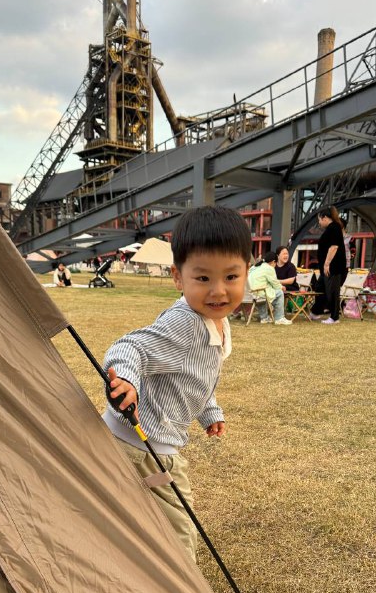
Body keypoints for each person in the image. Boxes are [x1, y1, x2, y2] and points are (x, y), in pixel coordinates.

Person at [103, 205, 252, 561]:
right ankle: (182, 590)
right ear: (178, 277)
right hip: (143, 450)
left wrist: (209, 411)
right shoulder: (186, 324)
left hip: (144, 445)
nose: (218, 291)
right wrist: (126, 379)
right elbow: (130, 347)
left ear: (247, 272)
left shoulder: (216, 321)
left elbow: (194, 376)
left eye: (231, 276)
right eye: (203, 278)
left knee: (134, 522)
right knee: (179, 534)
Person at [310, 206, 348, 324]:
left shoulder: (334, 227)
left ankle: (334, 317)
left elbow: (334, 247)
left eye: (319, 220)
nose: (319, 223)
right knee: (319, 287)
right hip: (326, 268)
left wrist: (327, 264)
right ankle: (316, 311)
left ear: (325, 218)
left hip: (333, 267)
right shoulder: (331, 228)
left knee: (332, 291)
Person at [247, 251, 292, 325]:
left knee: (263, 292)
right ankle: (279, 318)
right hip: (259, 293)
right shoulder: (269, 268)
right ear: (273, 261)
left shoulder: (255, 266)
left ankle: (264, 318)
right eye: (276, 263)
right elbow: (275, 283)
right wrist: (281, 287)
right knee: (279, 293)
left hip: (249, 294)